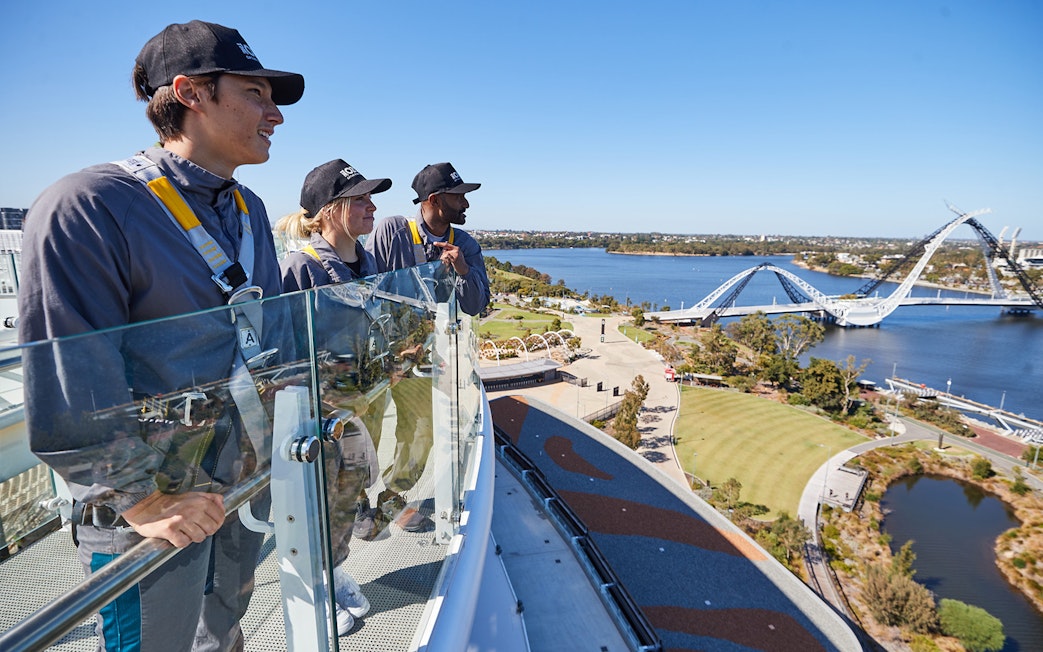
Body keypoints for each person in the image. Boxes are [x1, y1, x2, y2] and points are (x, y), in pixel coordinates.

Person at [17, 20, 303, 652]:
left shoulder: (249, 210)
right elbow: (70, 376)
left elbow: (266, 332)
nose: (274, 114)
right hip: (150, 513)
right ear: (191, 93)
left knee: (223, 630)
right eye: (256, 92)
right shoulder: (88, 206)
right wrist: (142, 499)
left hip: (235, 479)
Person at [273, 159, 393, 633]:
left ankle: (334, 568)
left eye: (370, 198)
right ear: (327, 211)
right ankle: (315, 587)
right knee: (315, 502)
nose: (372, 206)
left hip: (356, 407)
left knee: (349, 492)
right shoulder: (300, 268)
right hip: (315, 413)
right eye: (359, 199)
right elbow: (281, 351)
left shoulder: (368, 264)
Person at [364, 162, 491, 529]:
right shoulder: (393, 231)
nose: (466, 204)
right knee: (365, 432)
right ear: (434, 200)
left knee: (422, 431)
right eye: (459, 196)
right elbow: (369, 289)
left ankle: (392, 499)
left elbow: (476, 305)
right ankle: (356, 504)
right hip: (379, 356)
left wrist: (464, 271)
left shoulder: (465, 244)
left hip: (424, 359)